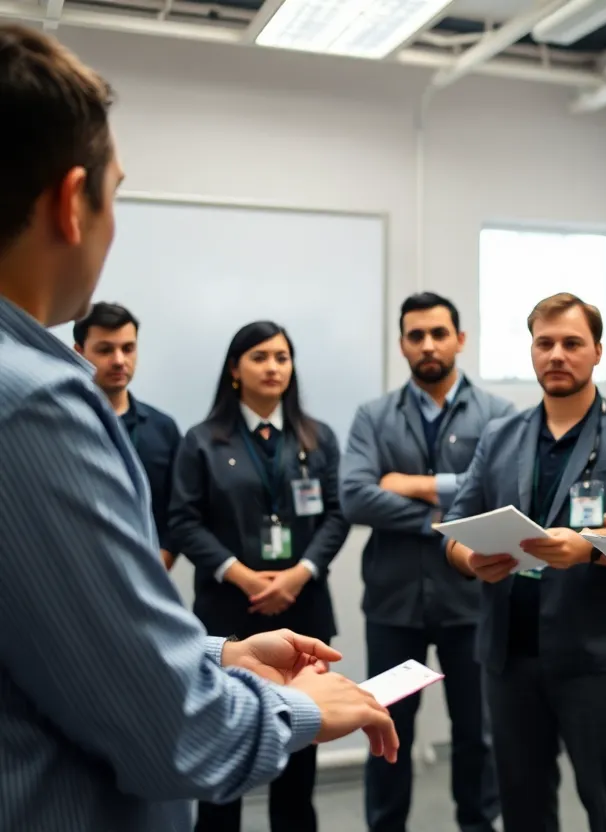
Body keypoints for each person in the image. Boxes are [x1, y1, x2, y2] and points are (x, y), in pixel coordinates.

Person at [0, 22, 395, 832]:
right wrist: (305, 710)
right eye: (118, 191)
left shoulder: (313, 432)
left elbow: (59, 637)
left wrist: (220, 656)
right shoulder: (36, 402)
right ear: (72, 202)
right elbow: (171, 730)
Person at [445, 292, 606, 832]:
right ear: (532, 352)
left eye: (572, 343)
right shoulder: (501, 436)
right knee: (521, 805)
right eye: (545, 343)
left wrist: (587, 546)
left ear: (597, 352)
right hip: (508, 654)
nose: (557, 355)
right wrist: (470, 559)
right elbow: (452, 530)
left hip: (593, 655)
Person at [169, 320, 350, 832]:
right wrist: (245, 577)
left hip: (305, 610)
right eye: (259, 357)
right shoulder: (202, 441)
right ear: (235, 369)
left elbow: (337, 515)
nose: (273, 367)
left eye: (282, 357)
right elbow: (183, 521)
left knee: (298, 762)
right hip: (230, 617)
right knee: (223, 758)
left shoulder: (317, 438)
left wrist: (299, 573)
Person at [341, 291, 511, 832]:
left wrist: (416, 485)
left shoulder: (497, 416)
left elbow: (502, 489)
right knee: (386, 726)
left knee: (476, 735)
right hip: (394, 603)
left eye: (439, 333)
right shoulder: (373, 416)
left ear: (460, 340)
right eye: (416, 336)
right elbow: (354, 495)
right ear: (402, 345)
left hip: (471, 601)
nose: (428, 345)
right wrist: (448, 519)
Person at [73, 301, 181, 570]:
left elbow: (180, 508)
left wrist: (162, 560)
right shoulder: (63, 423)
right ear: (79, 352)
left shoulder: (163, 428)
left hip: (149, 571)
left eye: (128, 348)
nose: (119, 360)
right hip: (77, 571)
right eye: (105, 350)